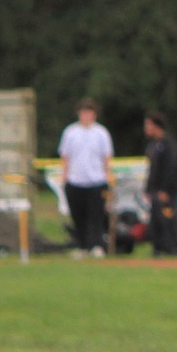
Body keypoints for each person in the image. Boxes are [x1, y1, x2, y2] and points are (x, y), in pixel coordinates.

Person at [57, 98, 114, 257]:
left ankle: (95, 245)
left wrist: (107, 175)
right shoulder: (70, 132)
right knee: (78, 215)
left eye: (89, 113)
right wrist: (65, 176)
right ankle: (82, 245)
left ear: (94, 115)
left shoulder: (101, 133)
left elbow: (106, 157)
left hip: (97, 180)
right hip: (75, 180)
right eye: (83, 113)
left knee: (95, 215)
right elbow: (65, 156)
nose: (86, 116)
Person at [142, 112, 177, 256]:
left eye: (148, 125)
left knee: (169, 218)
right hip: (155, 190)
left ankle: (176, 248)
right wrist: (148, 189)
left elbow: (170, 168)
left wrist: (165, 190)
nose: (146, 128)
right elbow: (152, 170)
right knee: (156, 220)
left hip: (166, 191)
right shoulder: (153, 145)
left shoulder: (169, 145)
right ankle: (158, 248)